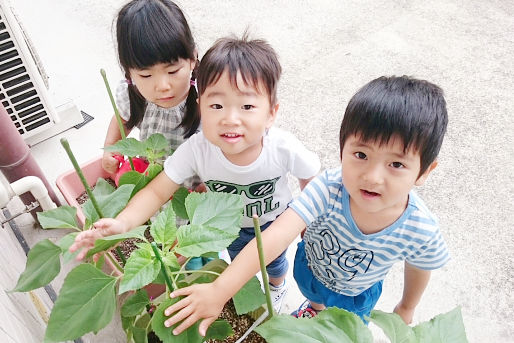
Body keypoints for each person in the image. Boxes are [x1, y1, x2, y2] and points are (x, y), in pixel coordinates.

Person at [160, 75, 450, 336]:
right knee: (313, 295)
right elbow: (275, 236)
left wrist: (407, 306)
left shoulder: (420, 227)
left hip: (355, 293)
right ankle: (313, 307)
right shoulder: (330, 187)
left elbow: (420, 264)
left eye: (396, 163)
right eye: (360, 154)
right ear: (342, 149)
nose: (372, 177)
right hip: (311, 265)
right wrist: (219, 290)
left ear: (424, 171)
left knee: (340, 332)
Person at [70, 34, 321, 313]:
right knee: (239, 263)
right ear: (200, 105)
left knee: (275, 263)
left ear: (271, 113)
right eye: (217, 106)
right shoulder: (197, 149)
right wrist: (123, 223)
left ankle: (277, 285)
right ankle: (248, 288)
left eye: (247, 106)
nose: (230, 118)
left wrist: (308, 222)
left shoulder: (283, 147)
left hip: (274, 222)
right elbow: (156, 191)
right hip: (227, 227)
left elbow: (311, 177)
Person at [102, 0, 199, 174]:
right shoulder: (132, 94)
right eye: (146, 75)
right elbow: (122, 119)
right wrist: (111, 147)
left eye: (173, 71)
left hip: (194, 178)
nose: (163, 86)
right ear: (129, 72)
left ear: (192, 58)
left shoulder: (207, 96)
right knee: (125, 176)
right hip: (153, 171)